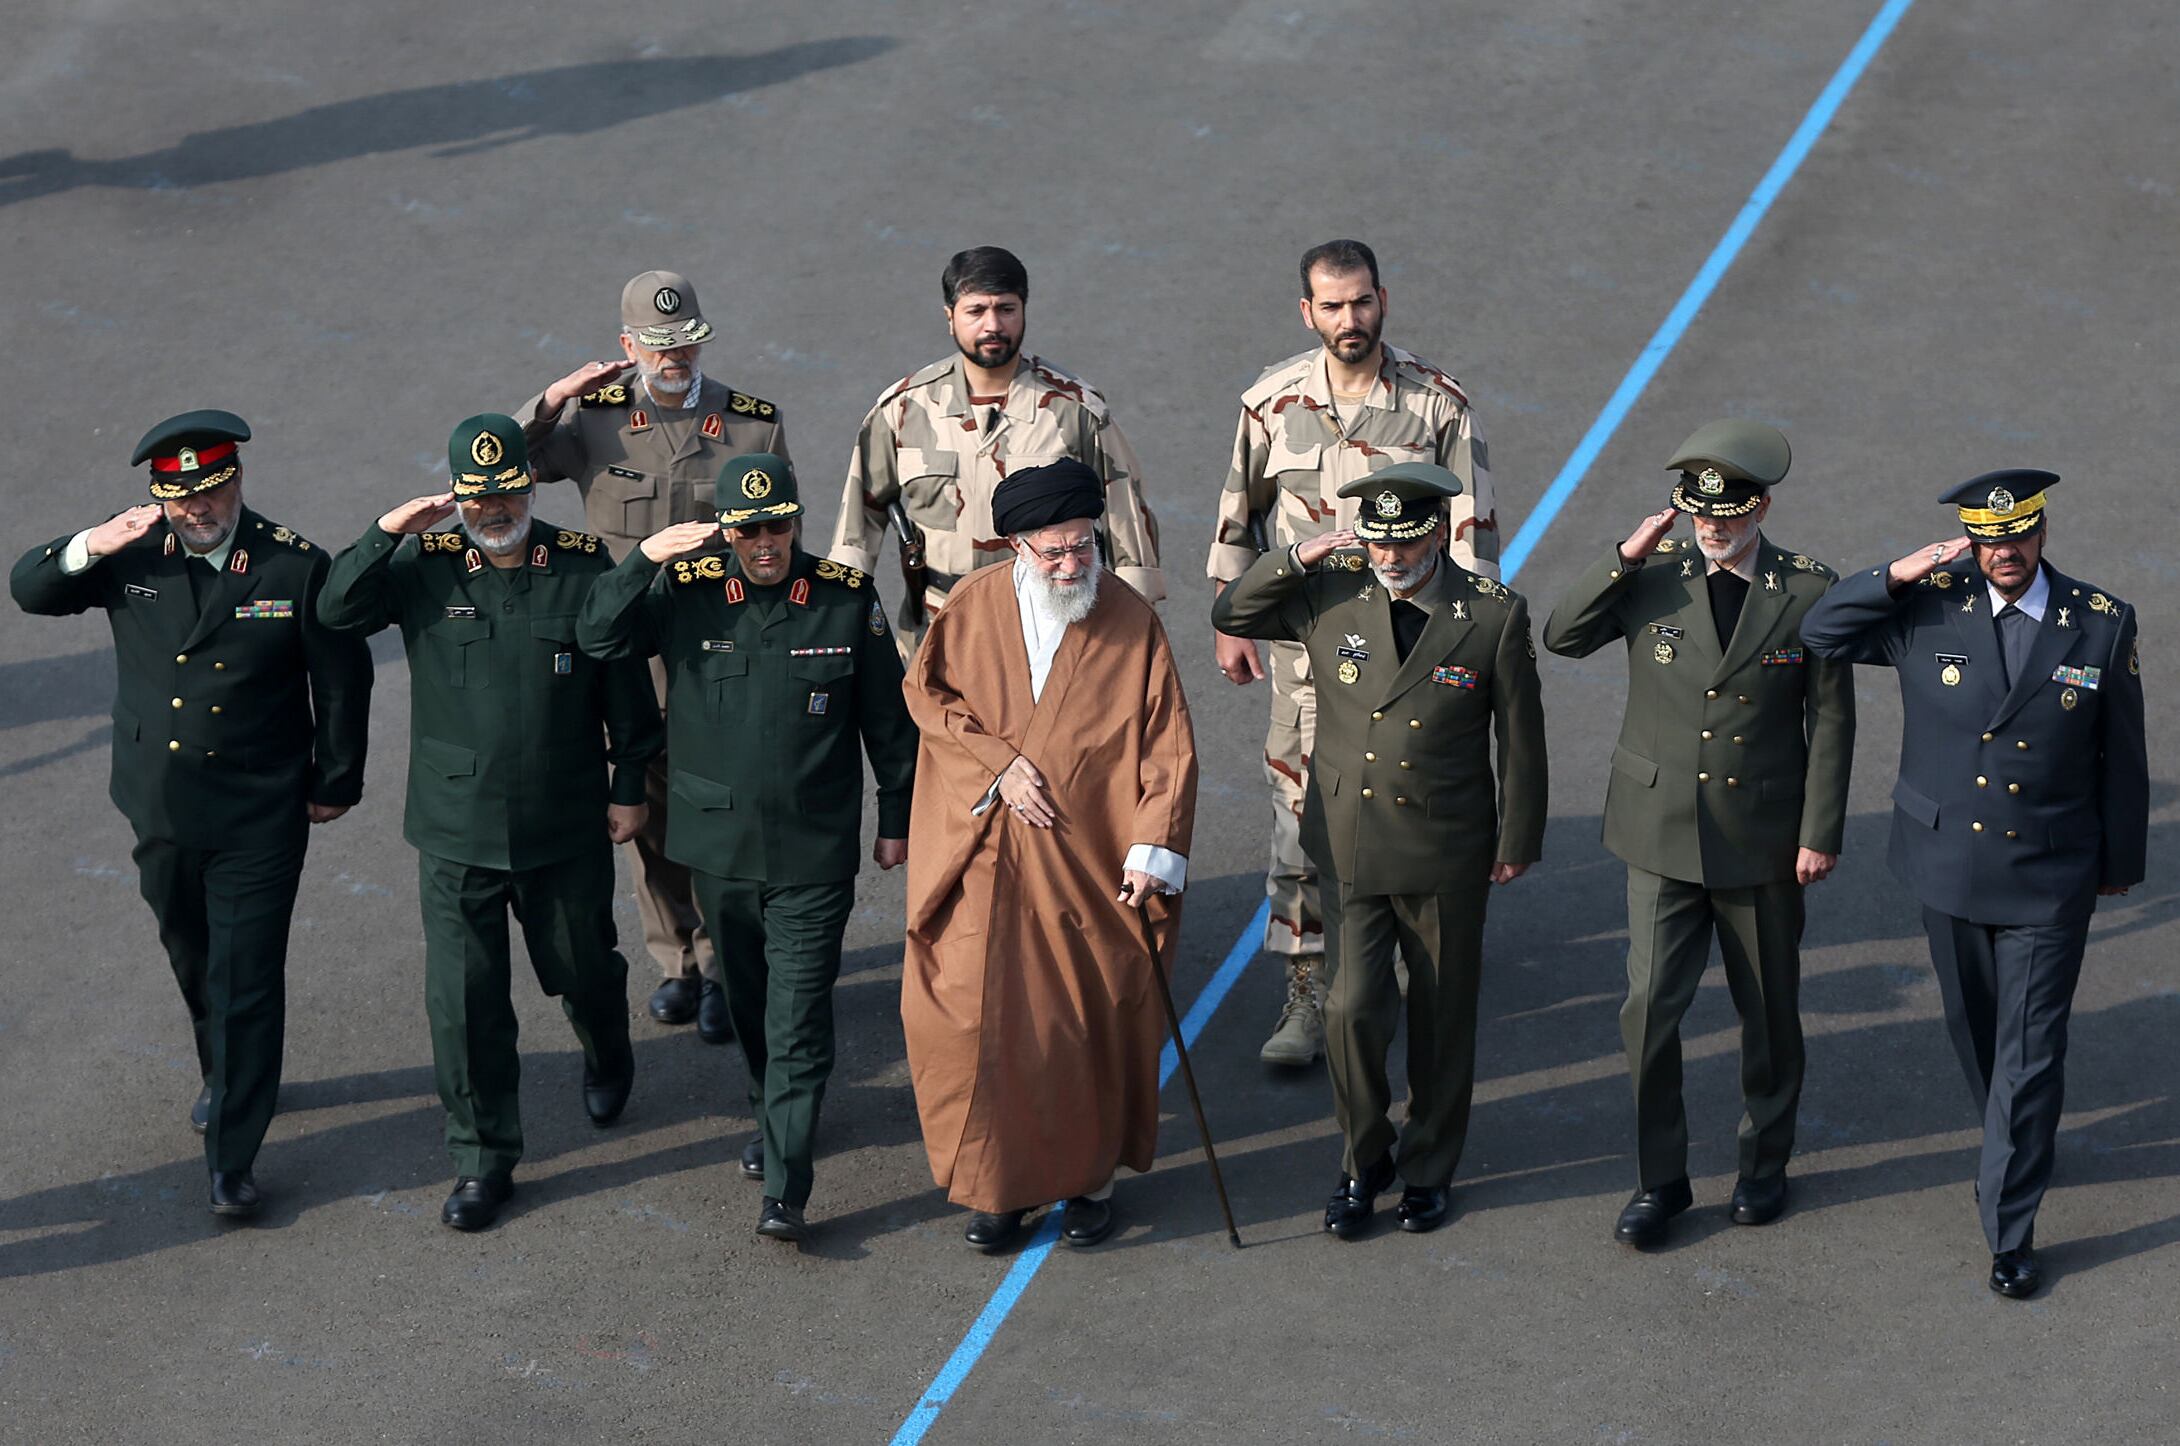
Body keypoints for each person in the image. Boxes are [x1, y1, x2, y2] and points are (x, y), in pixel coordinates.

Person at [10, 410, 372, 1218]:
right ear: (158, 497)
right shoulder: (130, 555)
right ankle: (223, 1067)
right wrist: (92, 543)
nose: (195, 510)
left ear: (235, 481)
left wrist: (336, 779)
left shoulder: (293, 566)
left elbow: (341, 681)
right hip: (160, 805)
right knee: (191, 952)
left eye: (209, 492)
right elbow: (30, 590)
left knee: (245, 978)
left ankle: (232, 1159)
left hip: (258, 809)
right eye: (178, 498)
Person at [1801, 470, 2144, 1299]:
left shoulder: (2099, 624)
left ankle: (2009, 1222)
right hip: (1948, 864)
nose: (2004, 554)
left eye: (2018, 537)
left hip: (2048, 871)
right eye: (1990, 541)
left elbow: (2122, 758)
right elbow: (1821, 632)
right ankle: (2015, 1138)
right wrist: (1898, 573)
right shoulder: (1929, 604)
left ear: (2042, 533)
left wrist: (2116, 867)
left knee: (2029, 1053)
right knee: (1979, 1034)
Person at [316, 414, 662, 1231]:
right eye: (476, 496)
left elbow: (623, 683)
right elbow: (336, 611)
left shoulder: (581, 567)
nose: (492, 508)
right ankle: (481, 1159)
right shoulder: (421, 568)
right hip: (455, 828)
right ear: (457, 497)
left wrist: (628, 786)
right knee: (464, 1001)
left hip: (563, 817)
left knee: (581, 966)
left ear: (528, 486)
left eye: (506, 491)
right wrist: (385, 530)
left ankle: (607, 1053)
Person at [578, 452, 915, 1244]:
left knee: (798, 1017)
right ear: (727, 532)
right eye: (748, 529)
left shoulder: (843, 599)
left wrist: (894, 819)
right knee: (755, 1008)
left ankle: (787, 1187)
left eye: (778, 526)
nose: (765, 542)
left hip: (812, 850)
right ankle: (776, 1112)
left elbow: (887, 725)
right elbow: (597, 634)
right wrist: (645, 560)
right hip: (717, 848)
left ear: (797, 522)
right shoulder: (685, 594)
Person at [1542, 421, 1854, 1249]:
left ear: (1763, 505)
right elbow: (1563, 636)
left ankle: (1763, 1168)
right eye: (1698, 511)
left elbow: (1831, 721)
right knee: (1647, 1014)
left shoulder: (1807, 588)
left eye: (1730, 511)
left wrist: (1819, 832)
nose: (1713, 526)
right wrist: (1625, 554)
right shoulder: (1653, 577)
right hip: (1661, 834)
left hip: (1760, 841)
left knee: (1770, 1017)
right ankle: (1660, 1181)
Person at [1213, 463, 1542, 1238]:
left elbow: (1520, 741)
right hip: (1351, 840)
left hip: (1446, 848)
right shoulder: (1333, 590)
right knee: (1351, 1007)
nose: (1390, 557)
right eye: (1377, 541)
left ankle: (1428, 1169)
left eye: (1407, 541)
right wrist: (1295, 557)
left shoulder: (1491, 613)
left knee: (1440, 1016)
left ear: (1438, 531)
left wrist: (1517, 836)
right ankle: (1365, 1161)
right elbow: (1236, 608)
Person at [1207, 239, 1499, 1068]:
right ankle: (1307, 986)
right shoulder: (1270, 402)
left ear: (1383, 300)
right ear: (1308, 312)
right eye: (1331, 306)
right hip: (1307, 655)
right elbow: (1238, 518)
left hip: (1412, 650)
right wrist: (1230, 620)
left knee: (1408, 797)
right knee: (1299, 816)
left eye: (1361, 302)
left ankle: (1399, 961)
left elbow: (1475, 535)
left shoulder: (1437, 406)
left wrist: (1470, 649)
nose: (1349, 319)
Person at [899, 459, 1198, 1251]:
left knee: (1080, 1028)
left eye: (1082, 547)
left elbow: (1167, 746)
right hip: (985, 865)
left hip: (1091, 869)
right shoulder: (970, 606)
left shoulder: (1130, 621)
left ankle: (1085, 1182)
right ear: (1015, 547)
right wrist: (997, 763)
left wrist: (1150, 849)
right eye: (1053, 553)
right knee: (974, 1025)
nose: (1072, 565)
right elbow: (929, 698)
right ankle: (998, 1190)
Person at [514, 270, 789, 1040]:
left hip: (715, 649)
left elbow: (774, 536)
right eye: (659, 345)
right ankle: (680, 963)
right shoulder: (594, 423)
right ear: (629, 346)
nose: (676, 357)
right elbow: (503, 463)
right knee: (642, 806)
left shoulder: (750, 425)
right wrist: (551, 398)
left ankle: (726, 960)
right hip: (622, 650)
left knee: (718, 804)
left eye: (687, 341)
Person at [825, 245, 1165, 655]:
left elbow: (1124, 515)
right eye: (976, 311)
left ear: (1024, 311)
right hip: (938, 628)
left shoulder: (1075, 410)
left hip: (1050, 625)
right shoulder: (902, 410)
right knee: (932, 722)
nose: (993, 325)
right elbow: (858, 525)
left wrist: (1132, 628)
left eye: (1006, 309)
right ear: (950, 317)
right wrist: (840, 620)